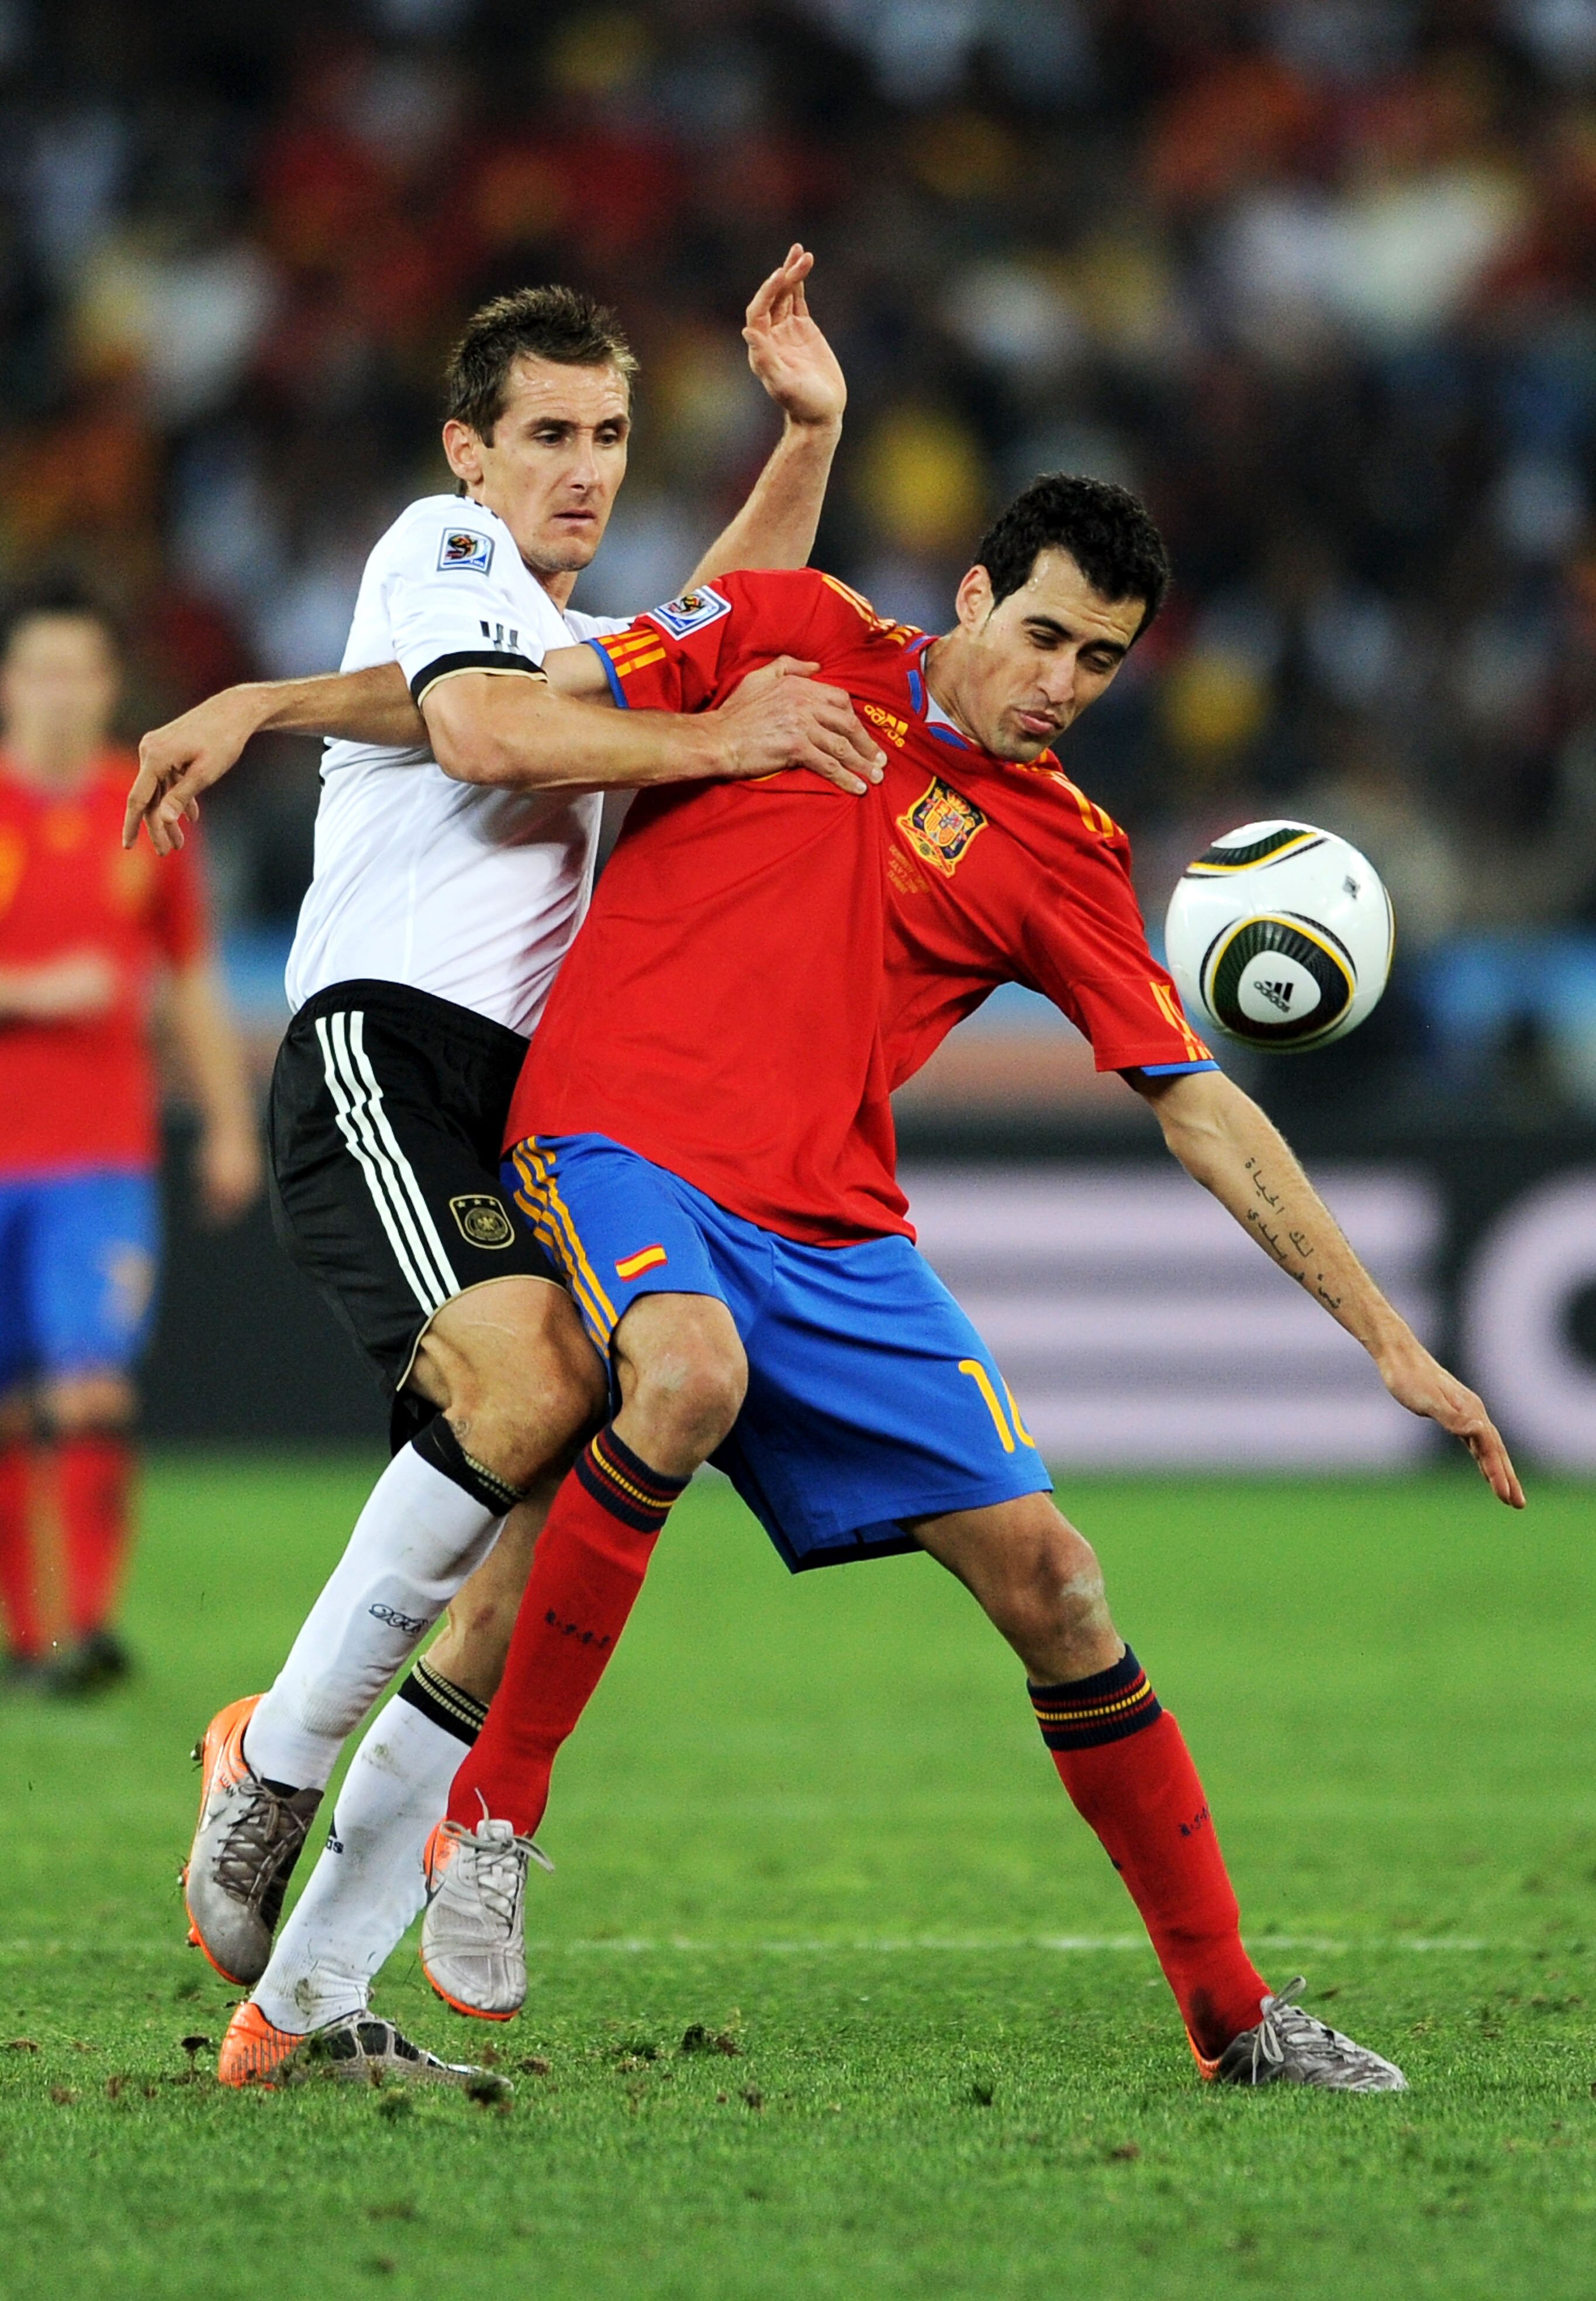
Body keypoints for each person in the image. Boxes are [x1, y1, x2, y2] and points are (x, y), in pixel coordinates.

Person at [402, 478, 1518, 2090]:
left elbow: (1198, 1104)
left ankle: (1232, 2019)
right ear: (976, 597)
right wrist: (290, 708)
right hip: (617, 1139)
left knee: (1058, 1584)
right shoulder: (792, 632)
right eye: (1048, 635)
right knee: (689, 1375)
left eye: (1105, 661)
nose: (1061, 683)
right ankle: (490, 1819)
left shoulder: (1064, 851)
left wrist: (1393, 1347)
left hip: (836, 1232)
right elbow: (527, 703)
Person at [126, 252, 880, 2084]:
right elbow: (475, 725)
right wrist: (721, 732)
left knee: (548, 1535)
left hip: (531, 1104)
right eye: (547, 433)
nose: (586, 468)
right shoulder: (439, 550)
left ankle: (302, 2005)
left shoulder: (575, 655)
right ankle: (275, 1759)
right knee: (537, 1376)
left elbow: (731, 617)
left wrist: (811, 428)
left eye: (613, 435)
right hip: (394, 1054)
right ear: (470, 451)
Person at [0, 589, 259, 1691]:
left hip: (103, 1154)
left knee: (92, 1384)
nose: (61, 691)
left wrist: (229, 1123)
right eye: (41, 670)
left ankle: (89, 1630)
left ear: (109, 687)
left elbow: (192, 978)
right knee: (12, 1400)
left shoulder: (142, 806)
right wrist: (30, 988)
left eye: (81, 671)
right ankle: (27, 1638)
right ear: (10, 684)